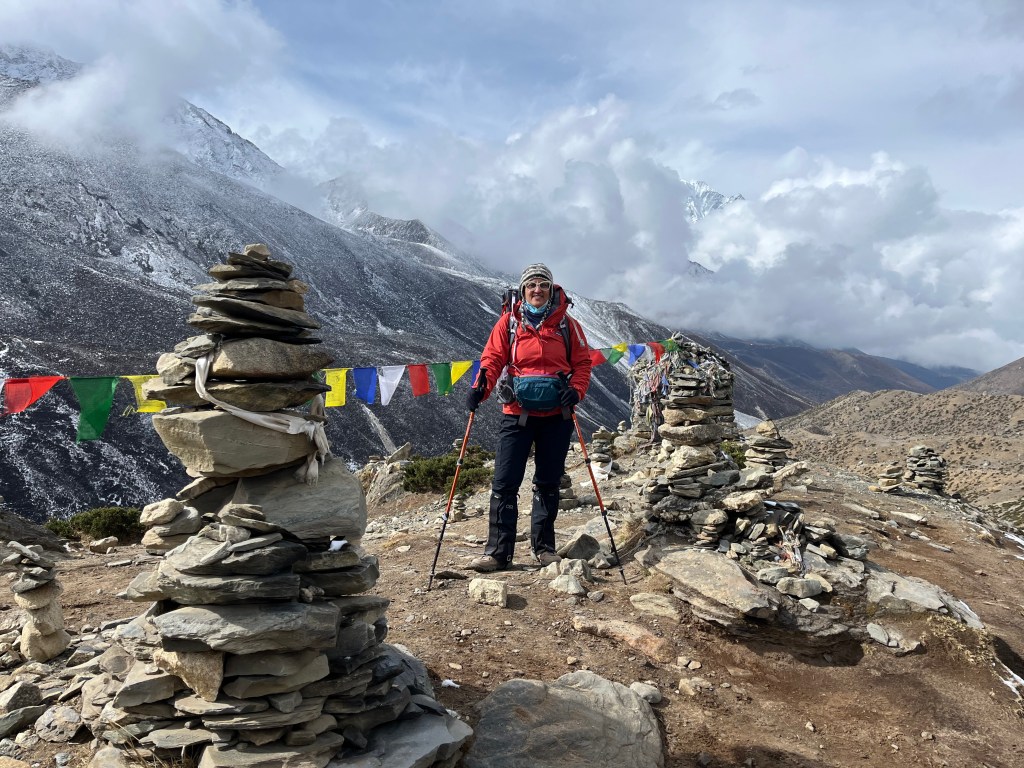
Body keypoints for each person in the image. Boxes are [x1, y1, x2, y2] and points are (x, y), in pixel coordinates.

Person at [465, 263, 593, 571]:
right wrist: (479, 389)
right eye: (531, 285)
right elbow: (492, 360)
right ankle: (498, 553)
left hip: (557, 414)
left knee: (548, 482)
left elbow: (583, 364)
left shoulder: (567, 325)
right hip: (516, 413)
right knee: (505, 482)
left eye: (543, 285)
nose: (537, 290)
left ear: (551, 290)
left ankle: (544, 548)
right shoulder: (508, 324)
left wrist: (576, 391)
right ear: (523, 291)